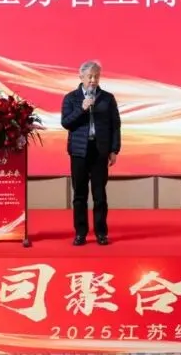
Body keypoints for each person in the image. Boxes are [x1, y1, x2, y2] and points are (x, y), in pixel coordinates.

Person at [61, 59, 121, 245]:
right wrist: (82, 108)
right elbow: (66, 123)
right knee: (79, 195)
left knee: (99, 195)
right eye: (90, 77)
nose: (93, 80)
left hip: (99, 151)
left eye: (96, 76)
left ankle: (101, 233)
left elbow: (115, 126)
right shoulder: (71, 98)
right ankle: (80, 233)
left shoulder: (107, 98)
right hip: (79, 152)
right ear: (81, 77)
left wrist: (114, 150)